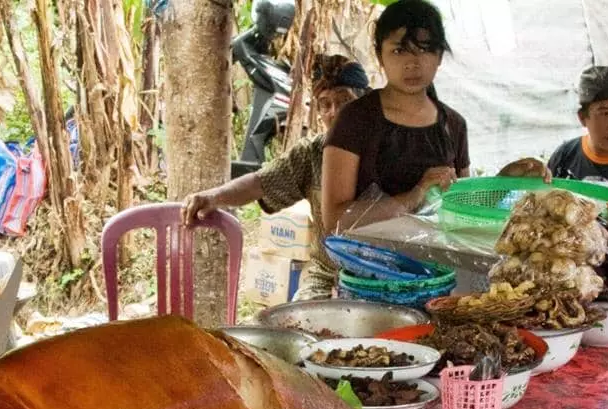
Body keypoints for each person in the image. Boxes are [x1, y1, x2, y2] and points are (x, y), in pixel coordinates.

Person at [182, 55, 369, 301]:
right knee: (298, 325)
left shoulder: (388, 150)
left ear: (366, 102)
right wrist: (214, 196)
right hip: (327, 276)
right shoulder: (312, 154)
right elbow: (260, 182)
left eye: (345, 101)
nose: (334, 113)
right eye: (325, 104)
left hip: (379, 282)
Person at [321, 0, 470, 234]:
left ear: (439, 56)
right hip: (369, 266)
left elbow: (464, 208)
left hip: (438, 268)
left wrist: (506, 181)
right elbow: (334, 220)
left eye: (424, 49)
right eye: (399, 50)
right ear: (380, 56)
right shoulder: (354, 119)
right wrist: (413, 196)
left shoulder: (454, 124)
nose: (412, 63)